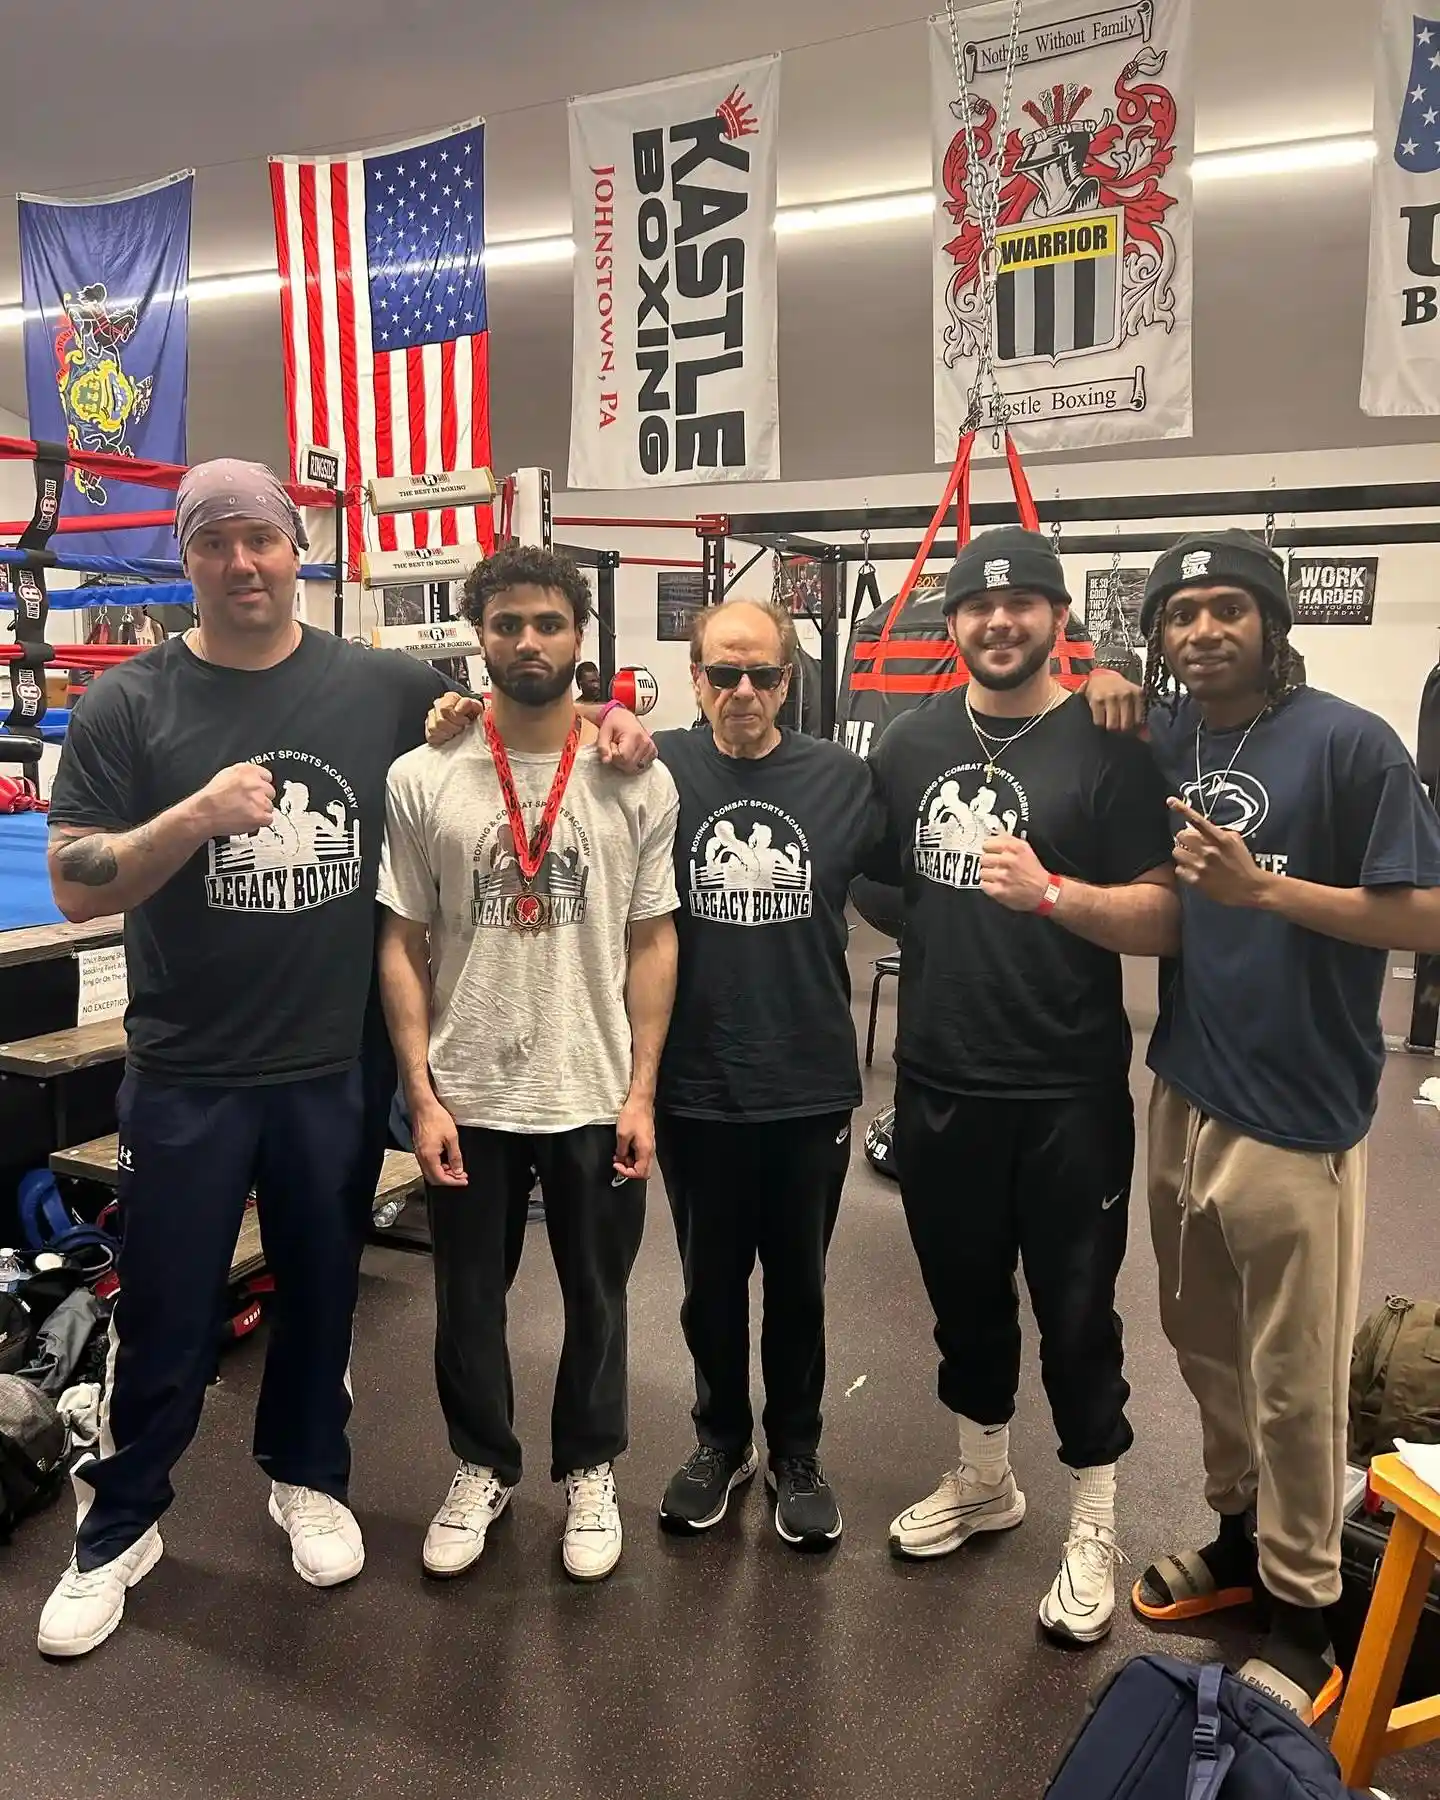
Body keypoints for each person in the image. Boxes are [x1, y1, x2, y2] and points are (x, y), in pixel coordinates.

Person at [35, 461, 649, 1659]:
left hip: (330, 1065)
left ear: (296, 545)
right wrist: (193, 819)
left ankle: (306, 1475)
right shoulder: (130, 704)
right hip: (189, 1065)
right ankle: (118, 1525)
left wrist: (616, 717)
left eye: (262, 538)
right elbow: (70, 883)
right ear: (185, 557)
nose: (244, 564)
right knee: (165, 1309)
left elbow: (517, 729)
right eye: (216, 544)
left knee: (321, 1298)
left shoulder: (383, 688)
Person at [1130, 530, 1440, 1721]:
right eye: (1181, 615)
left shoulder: (1352, 744)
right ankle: (1239, 1543)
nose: (1204, 631)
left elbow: (1424, 916)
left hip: (1300, 1106)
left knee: (1294, 1377)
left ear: (1272, 620)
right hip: (1185, 1084)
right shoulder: (1167, 734)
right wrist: (1107, 683)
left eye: (1227, 609)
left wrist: (1266, 891)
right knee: (1200, 1338)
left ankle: (1307, 1613)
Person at [872, 526, 1179, 1647]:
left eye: (1021, 606)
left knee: (1077, 1314)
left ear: (1056, 618)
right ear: (950, 625)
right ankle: (984, 1479)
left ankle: (1093, 1517)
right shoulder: (908, 744)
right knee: (961, 1301)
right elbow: (866, 869)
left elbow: (1166, 914)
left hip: (1065, 1085)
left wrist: (1053, 900)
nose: (997, 623)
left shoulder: (1110, 741)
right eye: (975, 608)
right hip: (941, 1077)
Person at [377, 545, 680, 1585]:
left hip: (595, 1088)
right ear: (479, 638)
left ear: (580, 638)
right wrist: (419, 1094)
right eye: (506, 625)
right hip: (469, 1090)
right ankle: (481, 1463)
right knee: (468, 1298)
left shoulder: (636, 772)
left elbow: (653, 940)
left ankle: (589, 1468)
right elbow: (400, 941)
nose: (528, 642)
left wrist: (643, 1091)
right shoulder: (424, 774)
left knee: (598, 1297)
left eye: (548, 623)